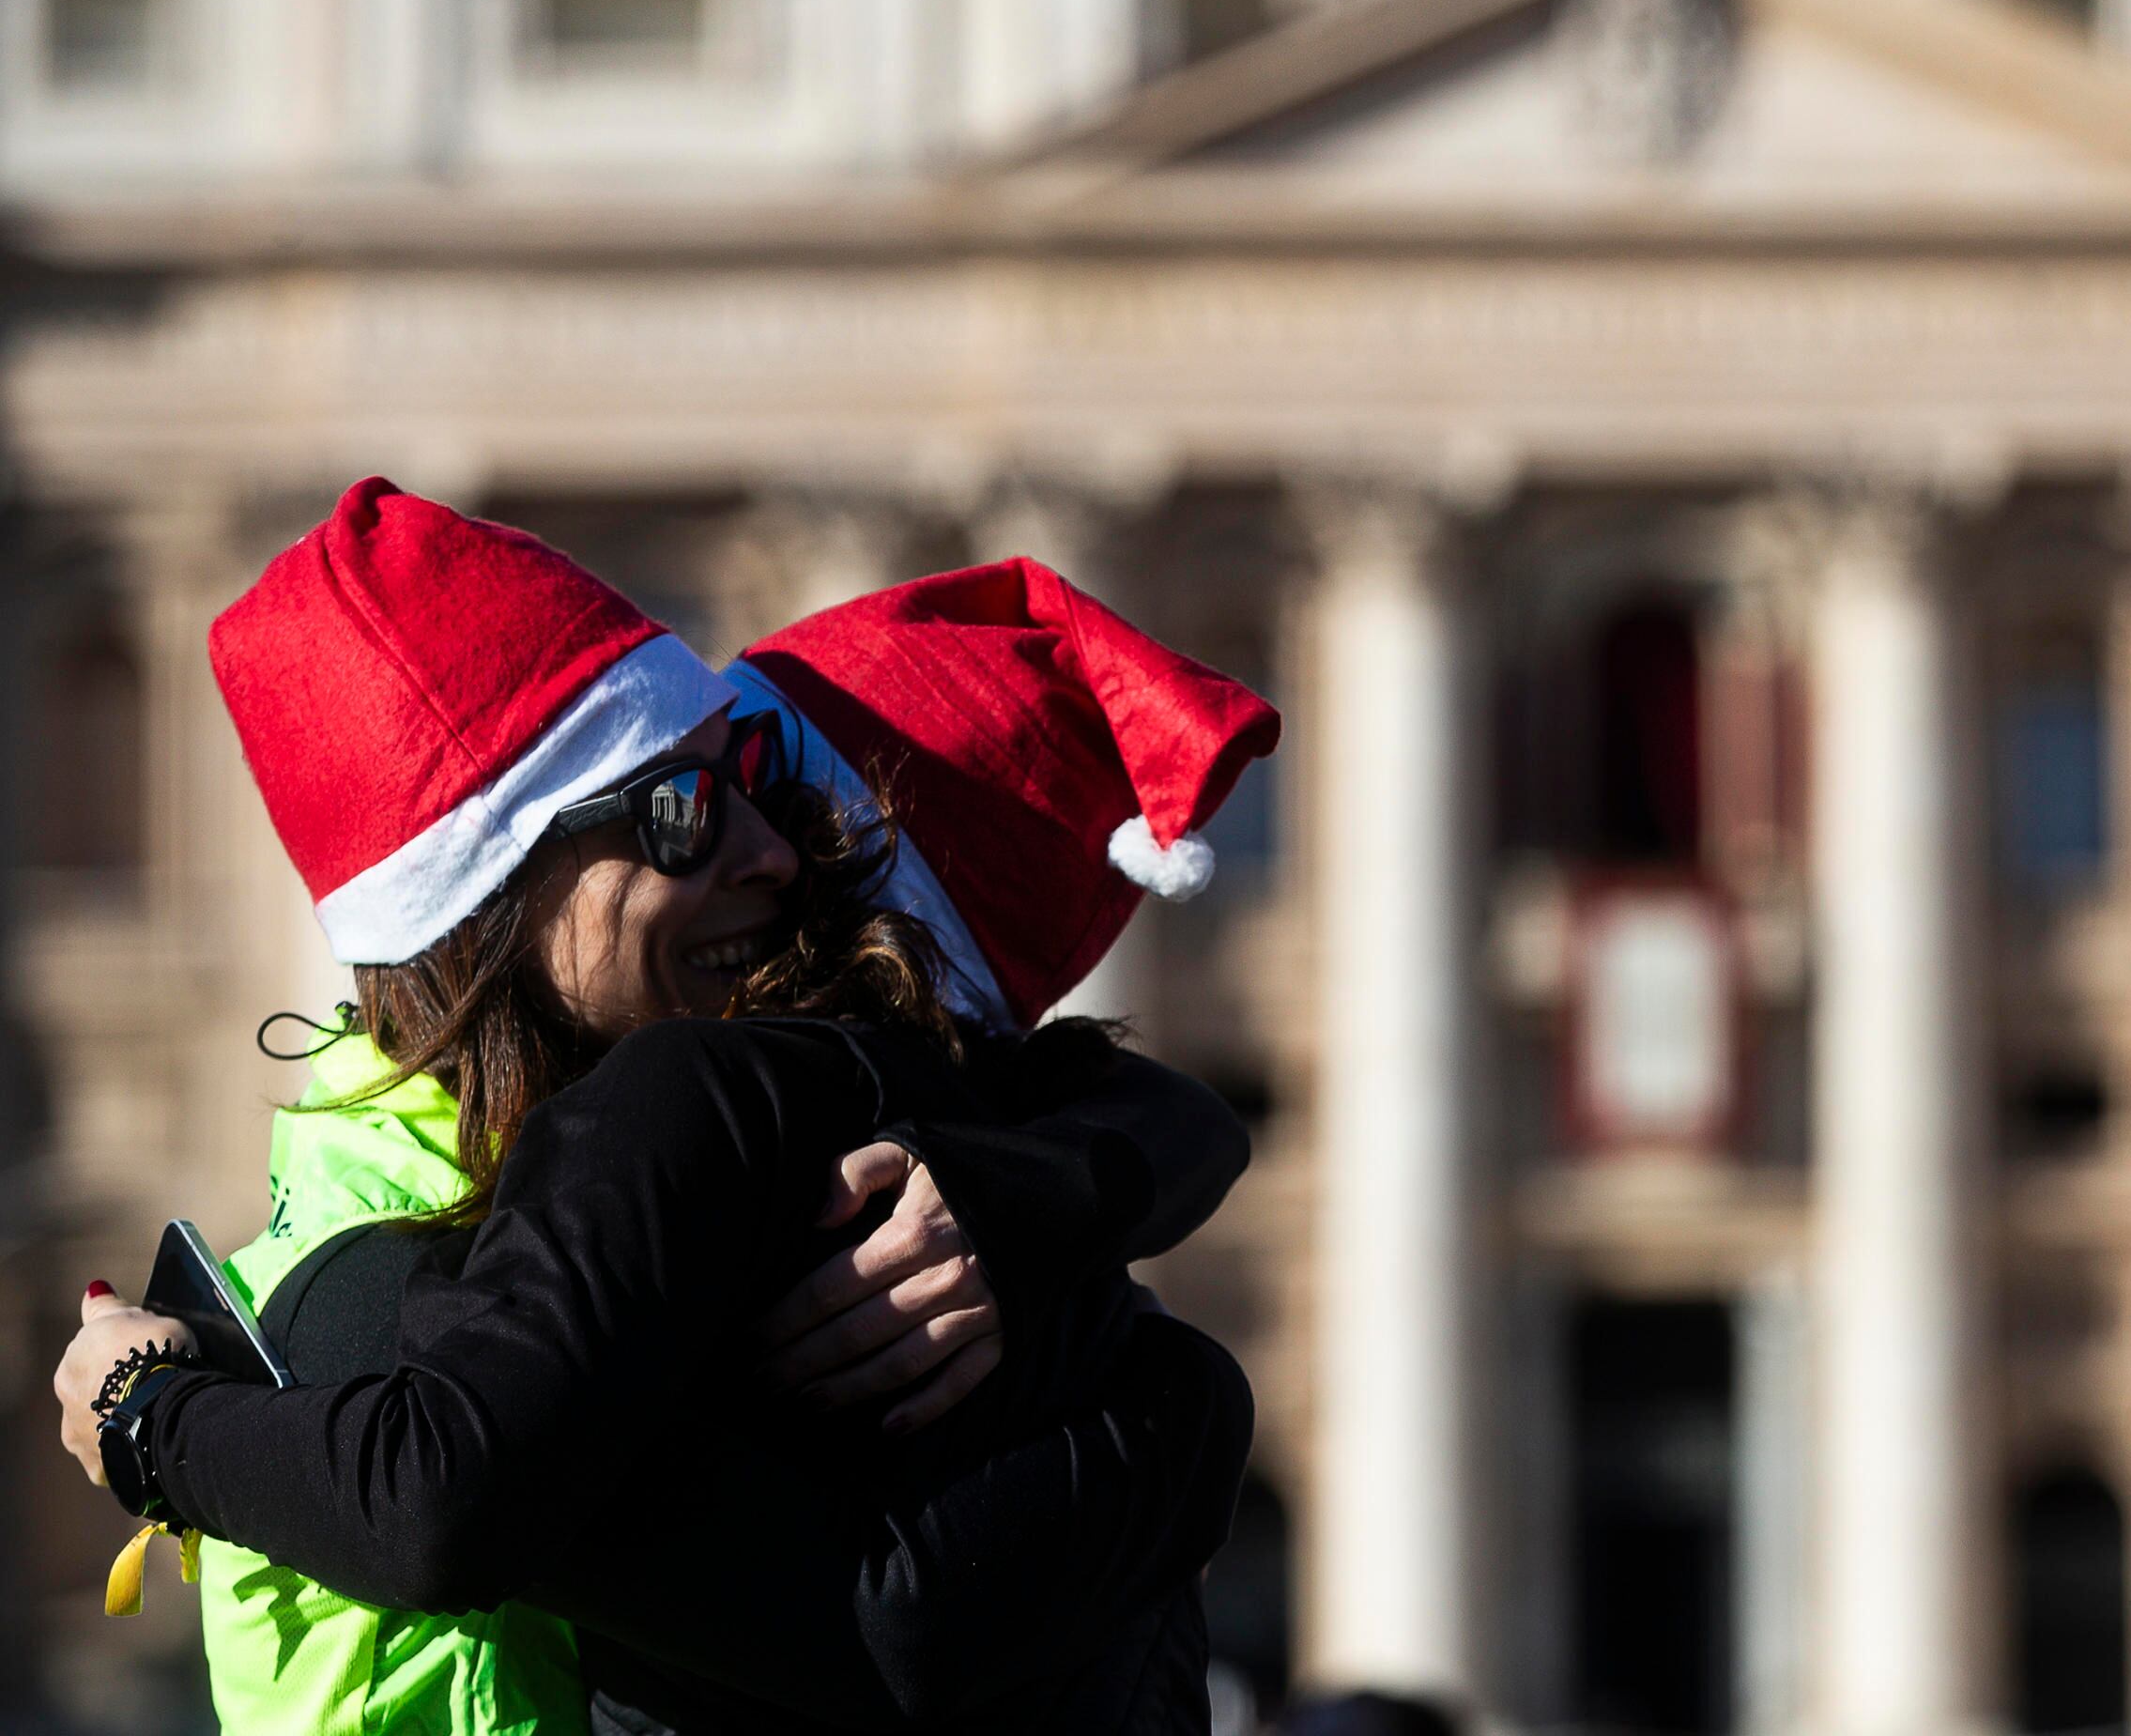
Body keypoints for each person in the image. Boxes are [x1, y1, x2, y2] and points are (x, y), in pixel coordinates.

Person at [53, 483, 1280, 1733]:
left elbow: (1161, 1118)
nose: (771, 857)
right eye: (686, 809)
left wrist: (150, 1420)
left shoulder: (729, 1125)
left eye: (760, 784)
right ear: (492, 887)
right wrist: (1177, 1397)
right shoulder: (407, 1261)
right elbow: (887, 1621)